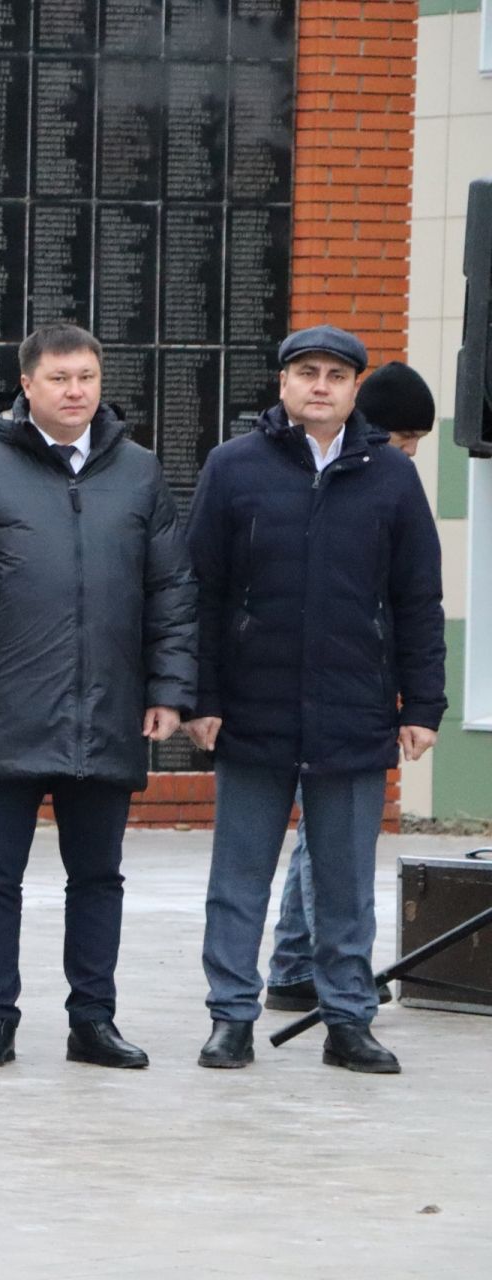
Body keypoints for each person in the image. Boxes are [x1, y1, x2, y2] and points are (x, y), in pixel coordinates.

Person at [0, 323, 196, 1070]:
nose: (75, 391)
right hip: (2, 708)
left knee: (98, 877)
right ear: (27, 385)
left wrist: (169, 689)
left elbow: (170, 590)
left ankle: (92, 1020)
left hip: (108, 710)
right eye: (60, 378)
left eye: (87, 378)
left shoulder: (137, 471)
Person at [186, 326, 445, 1074]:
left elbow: (416, 600)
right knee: (238, 879)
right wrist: (201, 697)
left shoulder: (392, 479)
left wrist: (422, 705)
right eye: (307, 372)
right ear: (284, 384)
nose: (321, 385)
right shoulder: (233, 468)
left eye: (336, 373)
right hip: (251, 708)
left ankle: (348, 1020)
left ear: (356, 388)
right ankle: (231, 1017)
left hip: (354, 709)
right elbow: (199, 593)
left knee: (344, 884)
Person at [263, 361, 436, 1014]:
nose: (412, 452)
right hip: (335, 683)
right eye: (406, 436)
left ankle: (291, 962)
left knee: (320, 832)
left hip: (358, 678)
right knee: (333, 839)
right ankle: (308, 967)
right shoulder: (356, 477)